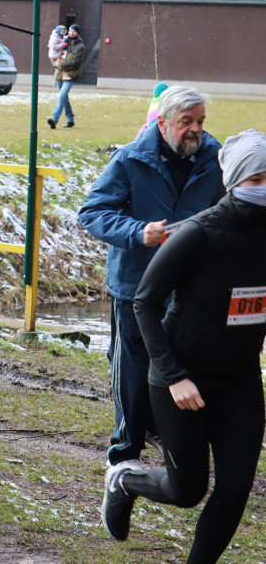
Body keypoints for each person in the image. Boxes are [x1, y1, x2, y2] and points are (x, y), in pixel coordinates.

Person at [101, 129, 266, 563]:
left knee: (234, 490)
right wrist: (174, 376)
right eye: (257, 179)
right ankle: (124, 481)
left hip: (242, 379)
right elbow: (145, 302)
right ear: (236, 182)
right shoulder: (199, 233)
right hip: (183, 378)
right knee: (187, 490)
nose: (265, 187)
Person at [78, 86, 225, 474]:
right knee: (132, 369)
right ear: (162, 123)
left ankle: (166, 434)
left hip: (189, 286)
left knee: (178, 364)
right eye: (186, 122)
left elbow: (227, 210)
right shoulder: (129, 159)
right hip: (135, 284)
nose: (196, 130)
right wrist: (137, 232)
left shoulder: (215, 158)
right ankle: (125, 451)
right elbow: (92, 212)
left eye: (200, 122)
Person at [47, 23, 84, 129]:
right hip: (59, 74)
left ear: (77, 33)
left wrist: (61, 64)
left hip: (70, 75)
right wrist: (55, 62)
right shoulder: (62, 41)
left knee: (61, 96)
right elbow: (53, 53)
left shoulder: (80, 46)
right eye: (70, 30)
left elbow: (75, 62)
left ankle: (54, 119)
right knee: (64, 98)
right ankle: (70, 119)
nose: (71, 33)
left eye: (74, 31)